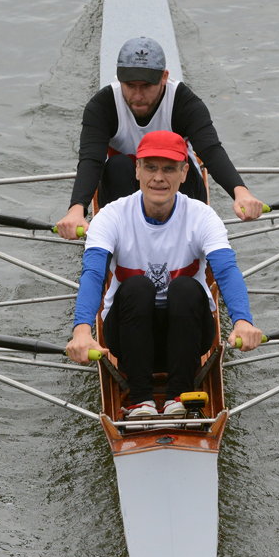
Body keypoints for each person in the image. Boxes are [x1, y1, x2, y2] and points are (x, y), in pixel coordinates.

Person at [65, 130, 264, 417]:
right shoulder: (111, 216)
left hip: (190, 335)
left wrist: (243, 321)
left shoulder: (202, 216)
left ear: (184, 173)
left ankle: (179, 397)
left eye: (169, 168)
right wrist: (82, 331)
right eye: (150, 167)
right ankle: (139, 398)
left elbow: (226, 270)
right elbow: (94, 274)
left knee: (184, 288)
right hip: (127, 335)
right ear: (137, 170)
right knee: (136, 287)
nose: (159, 177)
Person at [54, 36, 264, 240]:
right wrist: (76, 210)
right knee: (117, 166)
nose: (137, 96)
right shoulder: (102, 106)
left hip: (177, 186)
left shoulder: (185, 103)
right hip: (124, 185)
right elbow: (91, 160)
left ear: (164, 77)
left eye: (146, 86)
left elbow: (211, 151)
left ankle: (184, 235)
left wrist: (241, 192)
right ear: (119, 78)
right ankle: (124, 238)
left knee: (180, 166)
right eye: (130, 85)